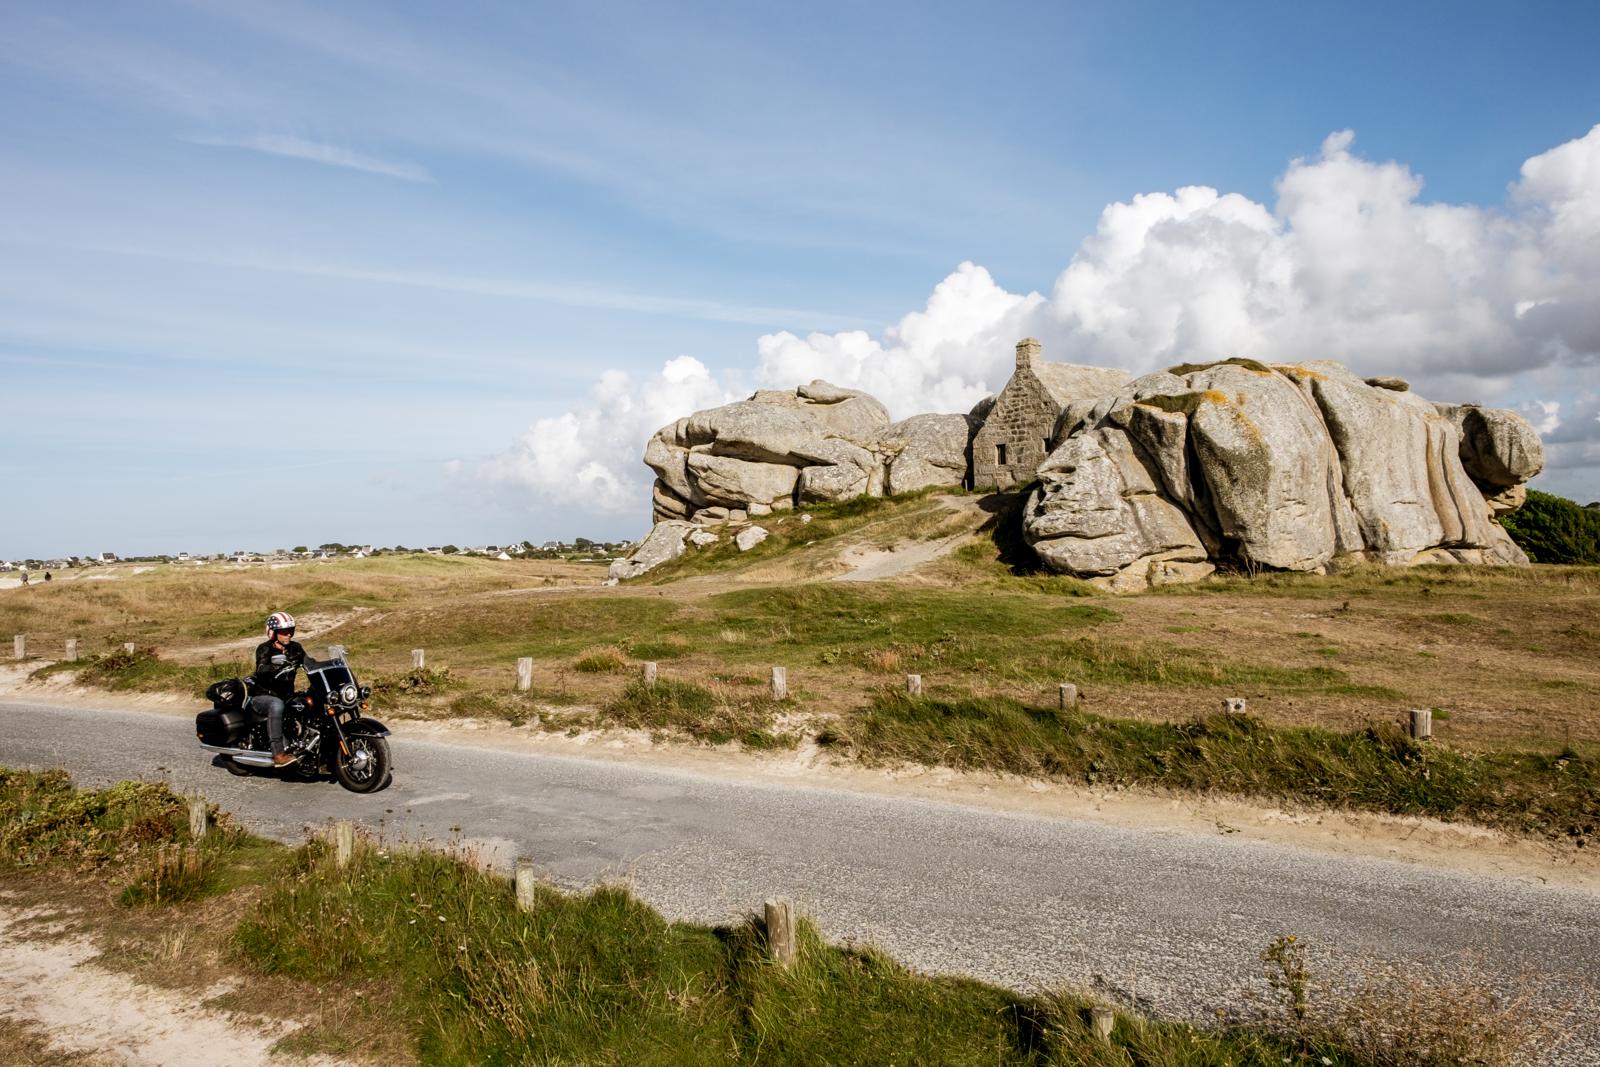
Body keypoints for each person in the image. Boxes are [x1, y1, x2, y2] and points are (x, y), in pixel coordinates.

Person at [251, 611, 306, 767]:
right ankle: (278, 754)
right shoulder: (264, 649)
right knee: (276, 705)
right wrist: (276, 666)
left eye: (290, 631)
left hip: (286, 695)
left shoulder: (295, 648)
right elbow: (261, 669)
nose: (288, 635)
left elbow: (309, 662)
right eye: (284, 632)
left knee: (308, 701)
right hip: (263, 696)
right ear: (273, 633)